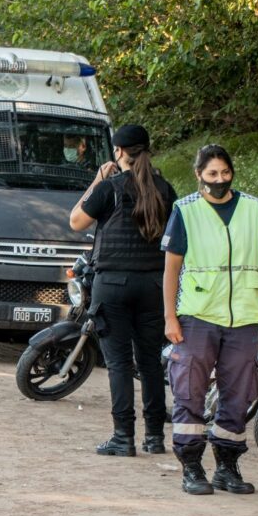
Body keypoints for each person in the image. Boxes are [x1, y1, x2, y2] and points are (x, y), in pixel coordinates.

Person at [162, 144, 258, 495]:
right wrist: (170, 316)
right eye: (211, 174)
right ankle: (192, 467)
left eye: (224, 173)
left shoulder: (254, 209)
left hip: (243, 317)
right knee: (190, 391)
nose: (219, 180)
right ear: (199, 175)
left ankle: (227, 467)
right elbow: (171, 267)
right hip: (198, 315)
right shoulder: (186, 210)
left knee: (239, 393)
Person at [69, 124, 177, 458]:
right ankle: (156, 436)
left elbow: (76, 221)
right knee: (148, 363)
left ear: (118, 153)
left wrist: (99, 179)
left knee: (118, 363)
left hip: (113, 284)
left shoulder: (109, 188)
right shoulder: (165, 189)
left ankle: (123, 436)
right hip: (154, 285)